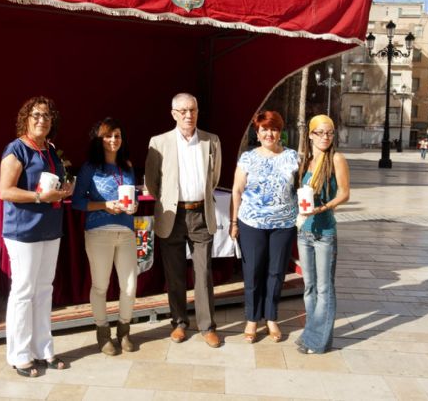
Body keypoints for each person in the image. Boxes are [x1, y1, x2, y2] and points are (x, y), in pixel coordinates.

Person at [0, 96, 74, 377]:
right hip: (23, 231)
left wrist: (64, 189)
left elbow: (52, 186)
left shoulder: (50, 151)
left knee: (44, 290)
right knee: (23, 291)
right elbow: (6, 191)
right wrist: (41, 197)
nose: (41, 119)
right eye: (36, 115)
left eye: (46, 115)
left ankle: (44, 350)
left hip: (50, 229)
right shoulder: (16, 149)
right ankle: (20, 356)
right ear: (26, 119)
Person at [144, 92, 222, 348]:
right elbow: (152, 183)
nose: (189, 115)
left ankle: (207, 326)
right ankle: (179, 322)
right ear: (174, 114)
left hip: (201, 214)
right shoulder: (159, 142)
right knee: (175, 274)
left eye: (193, 110)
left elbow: (215, 178)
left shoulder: (212, 141)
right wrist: (169, 200)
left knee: (204, 272)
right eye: (183, 111)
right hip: (172, 216)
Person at [229, 111, 298, 343]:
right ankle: (251, 318)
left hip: (284, 224)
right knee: (253, 271)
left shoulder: (293, 157)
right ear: (257, 133)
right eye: (264, 129)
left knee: (276, 272)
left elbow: (301, 189)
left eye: (274, 129)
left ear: (280, 132)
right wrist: (234, 222)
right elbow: (237, 191)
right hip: (252, 223)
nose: (269, 133)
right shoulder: (247, 158)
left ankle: (271, 317)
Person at [72, 118, 138, 355]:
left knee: (130, 287)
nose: (113, 140)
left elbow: (131, 197)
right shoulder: (90, 167)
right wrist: (104, 205)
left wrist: (133, 207)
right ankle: (102, 333)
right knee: (101, 286)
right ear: (99, 140)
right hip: (99, 233)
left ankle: (124, 331)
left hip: (127, 232)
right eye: (108, 136)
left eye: (117, 135)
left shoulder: (127, 166)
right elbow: (77, 202)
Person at [296, 114, 350, 354]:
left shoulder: (336, 159)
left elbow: (345, 194)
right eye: (320, 133)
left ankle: (316, 341)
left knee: (324, 288)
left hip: (325, 231)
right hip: (304, 232)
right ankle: (312, 334)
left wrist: (325, 207)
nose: (325, 137)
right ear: (310, 135)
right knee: (309, 287)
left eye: (329, 133)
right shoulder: (306, 161)